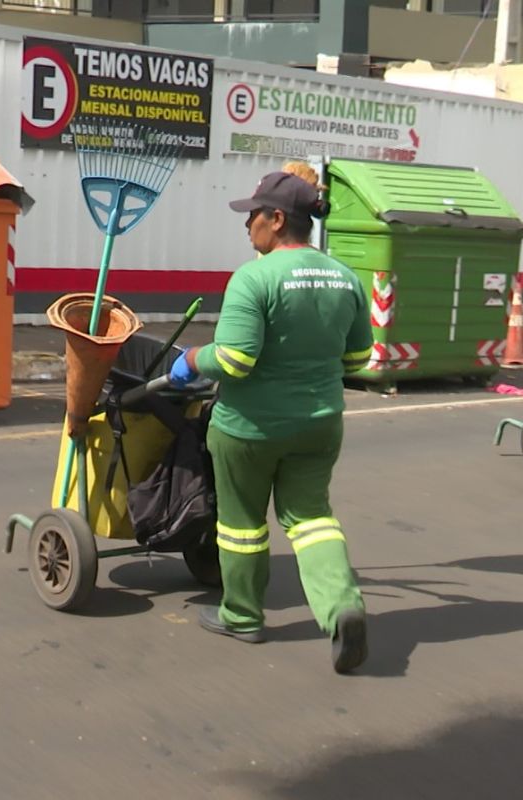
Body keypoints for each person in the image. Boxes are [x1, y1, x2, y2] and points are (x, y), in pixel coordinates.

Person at [167, 171, 373, 674]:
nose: (247, 226)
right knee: (312, 520)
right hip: (320, 423)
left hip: (250, 428)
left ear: (277, 220)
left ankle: (241, 615)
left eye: (253, 215)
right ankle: (342, 607)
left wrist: (192, 358)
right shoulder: (345, 277)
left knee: (241, 525)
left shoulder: (253, 278)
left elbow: (234, 361)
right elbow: (360, 358)